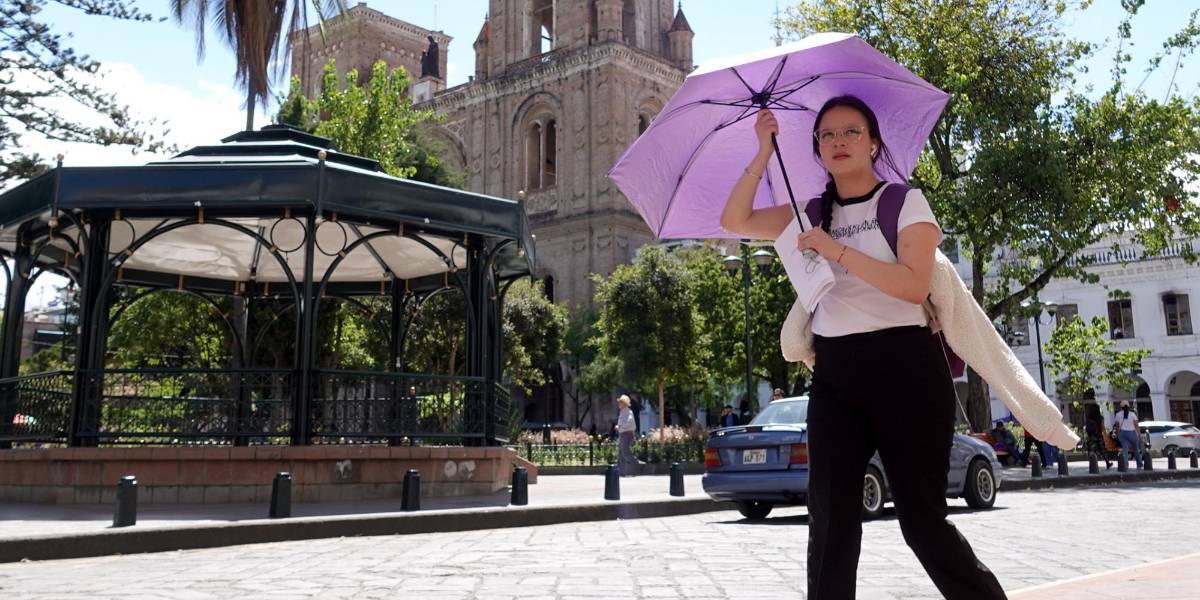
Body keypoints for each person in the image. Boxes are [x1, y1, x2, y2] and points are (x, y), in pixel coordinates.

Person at [720, 98, 1006, 599]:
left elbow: (914, 286)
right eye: (827, 136)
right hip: (837, 374)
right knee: (830, 523)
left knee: (922, 524)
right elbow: (734, 220)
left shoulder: (903, 202)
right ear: (816, 148)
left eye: (851, 132)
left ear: (873, 142)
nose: (838, 142)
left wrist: (836, 251)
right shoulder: (810, 213)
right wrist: (763, 152)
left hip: (908, 370)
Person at [614, 395, 639, 477]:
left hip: (627, 434)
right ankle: (621, 472)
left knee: (625, 453)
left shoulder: (628, 412)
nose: (618, 404)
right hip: (623, 434)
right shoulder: (623, 412)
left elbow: (628, 422)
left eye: (620, 402)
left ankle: (635, 464)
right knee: (621, 453)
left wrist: (620, 427)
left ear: (624, 404)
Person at [1114, 400, 1142, 469]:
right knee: (1136, 449)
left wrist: (1118, 434)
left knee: (1125, 450)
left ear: (1121, 407)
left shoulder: (1118, 414)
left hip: (1123, 433)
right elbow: (1136, 425)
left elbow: (1117, 426)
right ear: (1129, 406)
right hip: (1132, 433)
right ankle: (1139, 464)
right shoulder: (1132, 414)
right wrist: (1139, 434)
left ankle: (1125, 465)